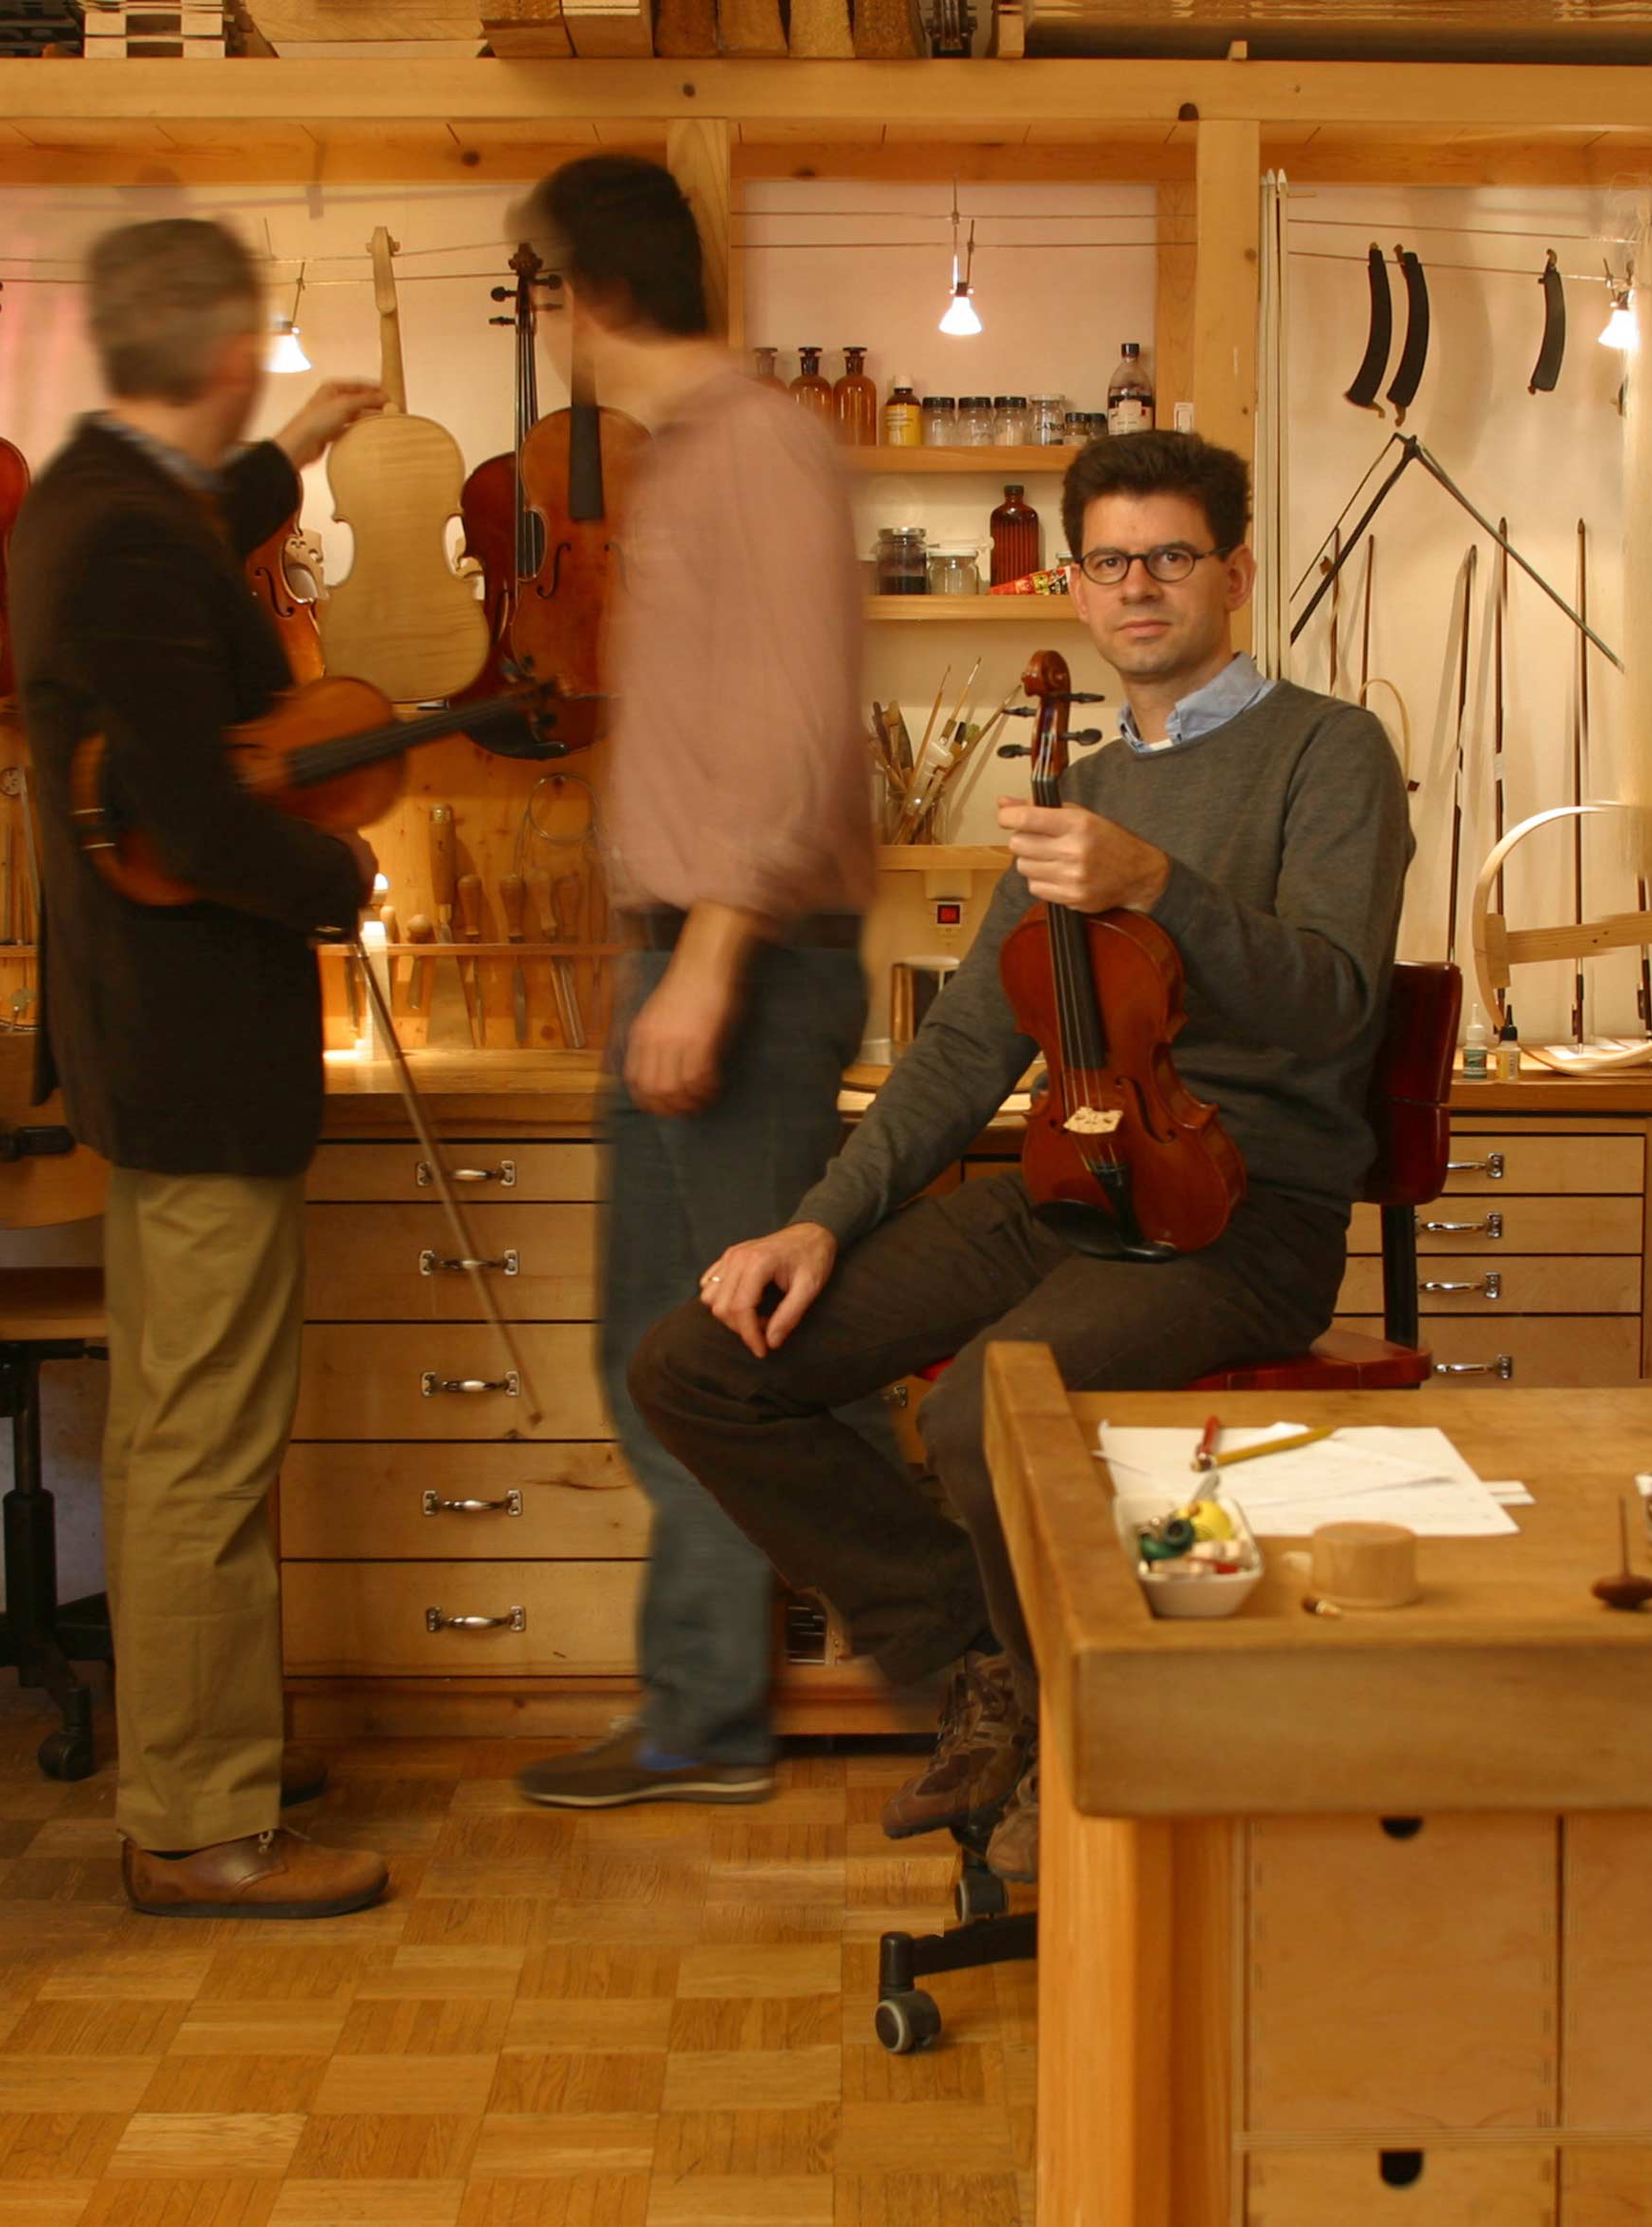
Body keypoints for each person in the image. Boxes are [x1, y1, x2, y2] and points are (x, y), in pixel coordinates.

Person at [627, 430, 1412, 1879]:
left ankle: (1075, 1751)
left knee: (990, 1405)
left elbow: (1334, 1005)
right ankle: (984, 1664)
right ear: (1072, 583)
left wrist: (1161, 889)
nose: (1139, 586)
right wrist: (819, 1223)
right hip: (1075, 1185)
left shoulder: (1331, 750)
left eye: (1172, 555)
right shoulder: (1086, 784)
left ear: (1234, 571)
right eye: (1110, 560)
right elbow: (965, 1047)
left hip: (1251, 1215)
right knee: (701, 1360)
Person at [15, 217, 389, 1918]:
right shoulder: (130, 546)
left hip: (150, 1049)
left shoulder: (87, 501)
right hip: (196, 1049)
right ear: (231, 351)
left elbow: (179, 556)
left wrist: (291, 467)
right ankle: (198, 1818)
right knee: (200, 1444)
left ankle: (206, 1743)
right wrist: (345, 875)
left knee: (191, 1424)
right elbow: (194, 813)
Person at [502, 154, 882, 1812]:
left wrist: (708, 966)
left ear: (588, 294)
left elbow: (797, 744)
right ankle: (706, 1710)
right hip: (687, 961)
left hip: (746, 971)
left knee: (737, 1368)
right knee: (656, 1359)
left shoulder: (766, 452)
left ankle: (960, 1666)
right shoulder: (695, 462)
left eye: (543, 295)